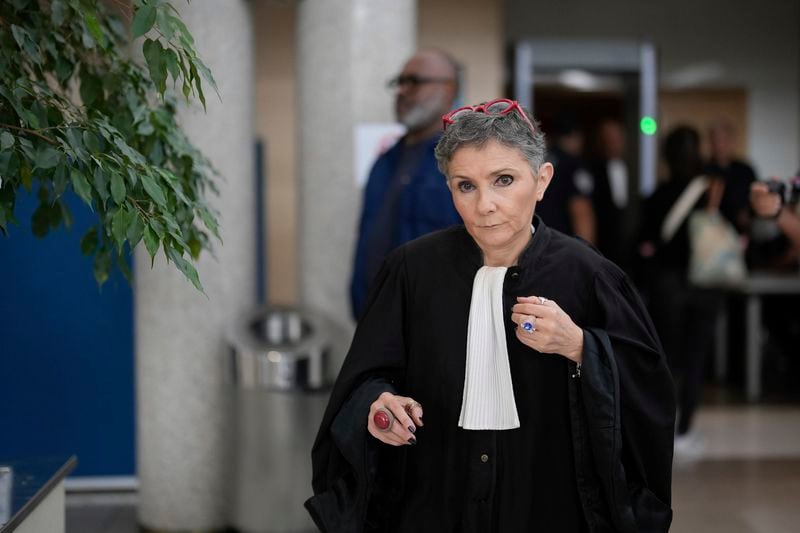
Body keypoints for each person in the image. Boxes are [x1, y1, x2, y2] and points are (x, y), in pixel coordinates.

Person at [307, 99, 675, 532]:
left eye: (504, 180)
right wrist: (377, 403)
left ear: (542, 181)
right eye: (466, 185)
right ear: (449, 188)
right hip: (434, 497)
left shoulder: (589, 275)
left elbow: (649, 392)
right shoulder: (411, 270)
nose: (485, 204)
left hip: (547, 503)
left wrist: (580, 346)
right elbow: (364, 378)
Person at [350, 49, 463, 320]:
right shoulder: (385, 160)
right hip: (376, 322)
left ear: (448, 89)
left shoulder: (463, 161)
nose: (401, 91)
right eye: (399, 82)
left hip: (435, 327)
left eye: (414, 82)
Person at [638, 126, 722, 459]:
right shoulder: (713, 191)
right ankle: (686, 429)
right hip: (705, 283)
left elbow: (645, 243)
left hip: (668, 285)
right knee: (696, 356)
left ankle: (663, 426)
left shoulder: (658, 194)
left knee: (667, 358)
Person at [536, 110, 597, 245]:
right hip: (563, 246)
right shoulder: (574, 166)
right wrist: (586, 254)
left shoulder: (539, 163)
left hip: (537, 242)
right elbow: (581, 212)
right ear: (577, 136)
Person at [591, 119, 634, 271]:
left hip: (630, 245)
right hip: (603, 243)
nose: (611, 144)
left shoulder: (634, 170)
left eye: (615, 140)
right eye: (606, 140)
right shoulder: (592, 170)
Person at [705, 118, 757, 233]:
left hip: (743, 233)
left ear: (731, 141)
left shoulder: (745, 170)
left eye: (724, 140)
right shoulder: (703, 171)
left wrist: (748, 213)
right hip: (712, 232)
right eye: (715, 140)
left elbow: (756, 199)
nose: (720, 145)